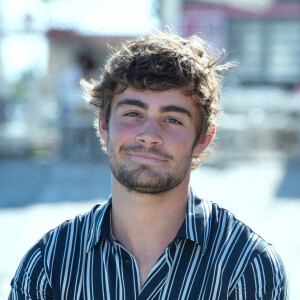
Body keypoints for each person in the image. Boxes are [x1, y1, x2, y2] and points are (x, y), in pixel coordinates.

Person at [9, 30, 288, 299]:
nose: (150, 136)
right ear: (104, 124)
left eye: (172, 119)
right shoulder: (48, 265)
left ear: (203, 138)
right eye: (133, 113)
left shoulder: (248, 267)